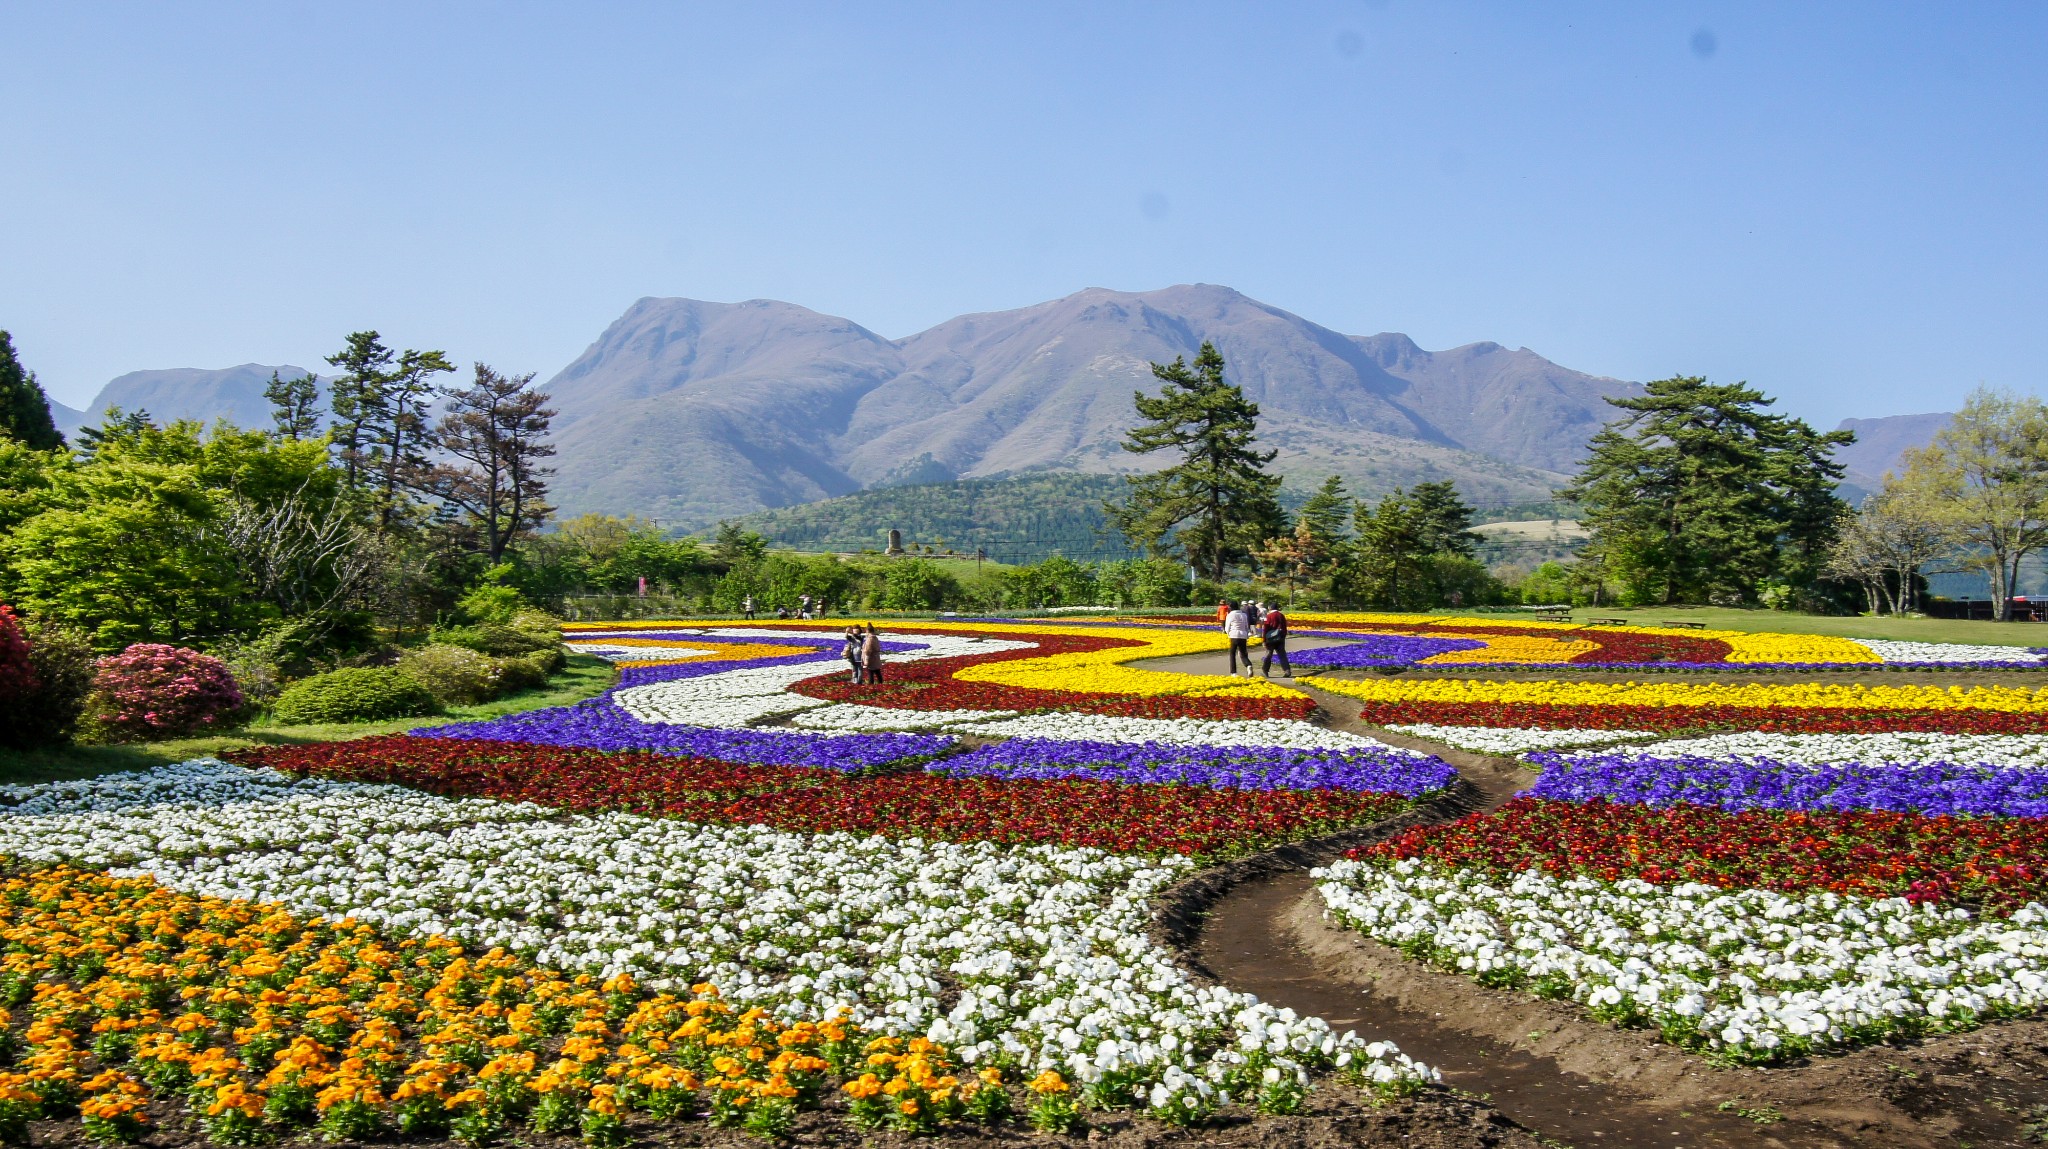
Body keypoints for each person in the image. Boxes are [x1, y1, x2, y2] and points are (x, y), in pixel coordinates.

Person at [1260, 604, 1291, 679]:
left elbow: (1266, 628)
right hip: (1280, 638)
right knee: (1282, 655)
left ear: (1270, 607)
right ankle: (1287, 670)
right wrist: (1283, 636)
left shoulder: (1270, 616)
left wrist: (1264, 640)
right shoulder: (1281, 615)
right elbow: (1284, 627)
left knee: (1268, 654)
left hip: (1271, 638)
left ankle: (1265, 670)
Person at [1223, 602, 1252, 677]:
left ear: (1231, 607)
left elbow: (1227, 627)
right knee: (1243, 653)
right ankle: (1248, 665)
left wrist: (1228, 633)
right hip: (1243, 635)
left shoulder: (1230, 615)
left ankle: (1233, 672)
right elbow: (1246, 626)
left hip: (1234, 635)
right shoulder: (1244, 615)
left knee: (1232, 654)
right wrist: (1246, 634)